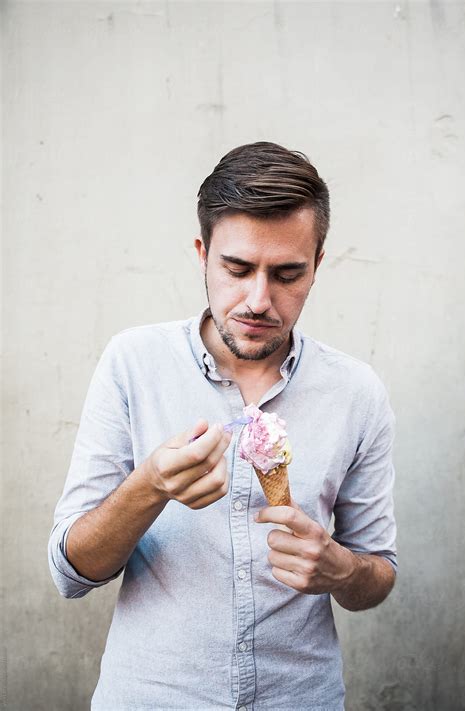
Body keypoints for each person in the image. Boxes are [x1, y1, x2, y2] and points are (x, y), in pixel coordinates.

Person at [49, 141, 397, 711]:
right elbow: (71, 572)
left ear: (318, 264)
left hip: (301, 698)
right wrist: (150, 487)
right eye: (237, 269)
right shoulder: (132, 362)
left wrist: (341, 570)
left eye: (288, 274)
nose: (259, 300)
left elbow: (378, 573)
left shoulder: (357, 392)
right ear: (202, 252)